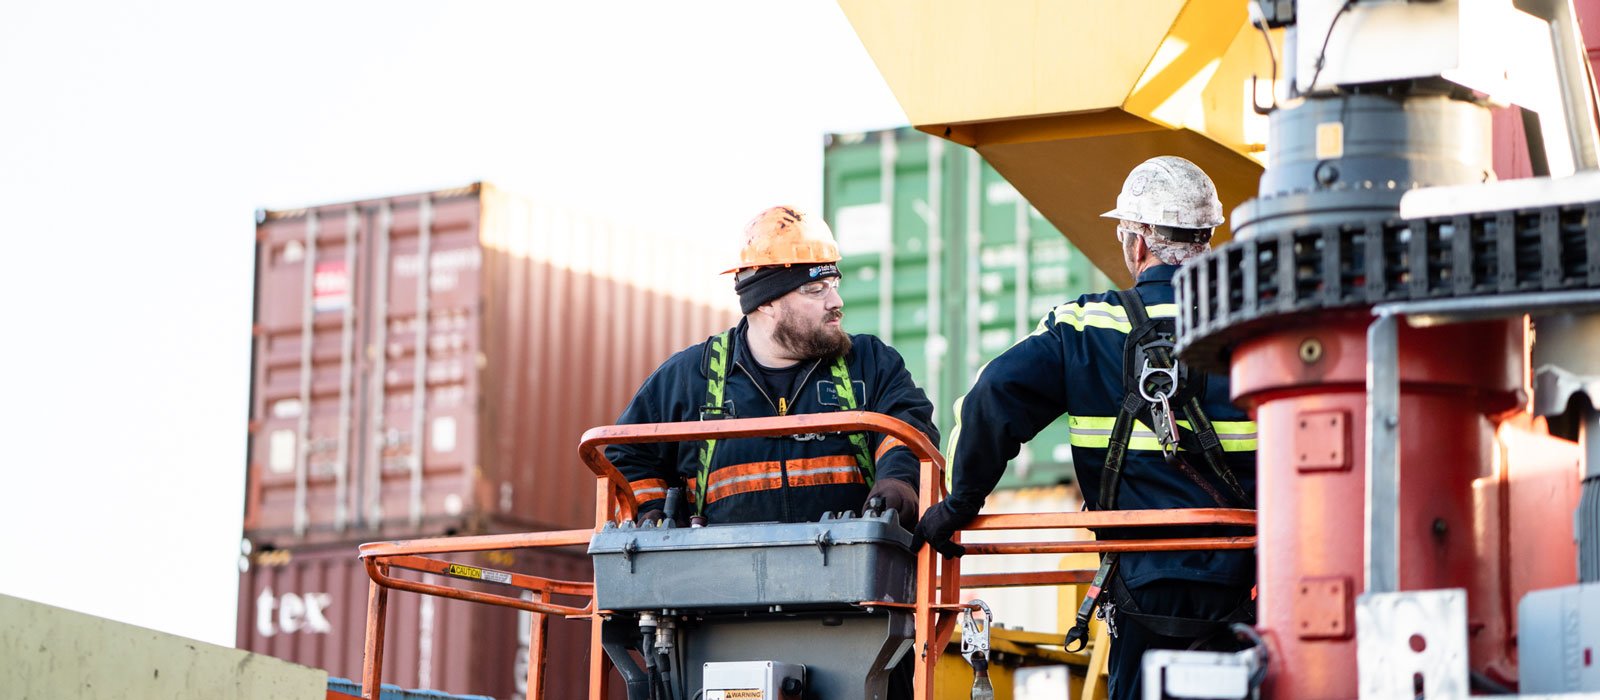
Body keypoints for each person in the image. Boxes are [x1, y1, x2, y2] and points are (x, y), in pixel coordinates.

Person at [913, 156, 1259, 700]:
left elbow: (990, 397)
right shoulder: (1258, 324)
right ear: (1205, 240)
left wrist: (959, 503)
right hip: (1255, 588)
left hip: (1141, 590)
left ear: (1137, 243)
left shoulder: (1085, 326)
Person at [607, 205, 937, 531]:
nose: (836, 302)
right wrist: (653, 510)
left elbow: (909, 427)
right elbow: (625, 452)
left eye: (834, 284)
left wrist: (898, 482)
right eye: (815, 290)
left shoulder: (869, 363)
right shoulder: (691, 377)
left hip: (852, 572)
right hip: (720, 579)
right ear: (765, 301)